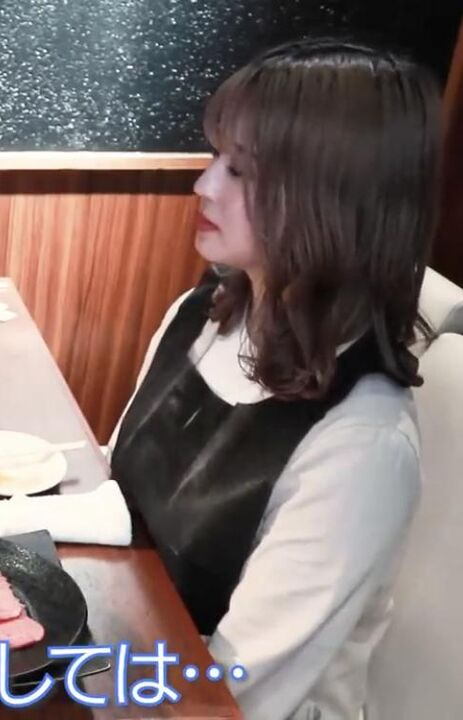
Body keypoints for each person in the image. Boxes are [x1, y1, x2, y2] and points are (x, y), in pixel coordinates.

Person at [108, 38, 441, 719]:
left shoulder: (362, 444)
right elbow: (117, 494)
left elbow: (230, 694)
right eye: (215, 157)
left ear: (331, 201)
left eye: (241, 170)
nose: (204, 185)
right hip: (131, 647)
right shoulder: (204, 313)